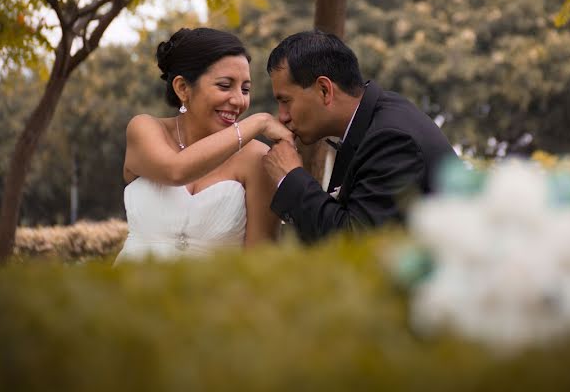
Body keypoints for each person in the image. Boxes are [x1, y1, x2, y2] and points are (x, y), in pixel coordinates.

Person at [114, 27, 294, 263]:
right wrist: (258, 122)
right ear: (182, 88)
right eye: (224, 85)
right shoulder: (145, 129)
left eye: (245, 89)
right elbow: (175, 171)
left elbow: (260, 261)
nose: (239, 100)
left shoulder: (257, 159)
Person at [262, 30, 458, 243]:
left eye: (286, 101)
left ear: (325, 90)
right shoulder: (374, 119)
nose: (281, 117)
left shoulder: (391, 139)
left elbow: (356, 244)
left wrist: (290, 177)